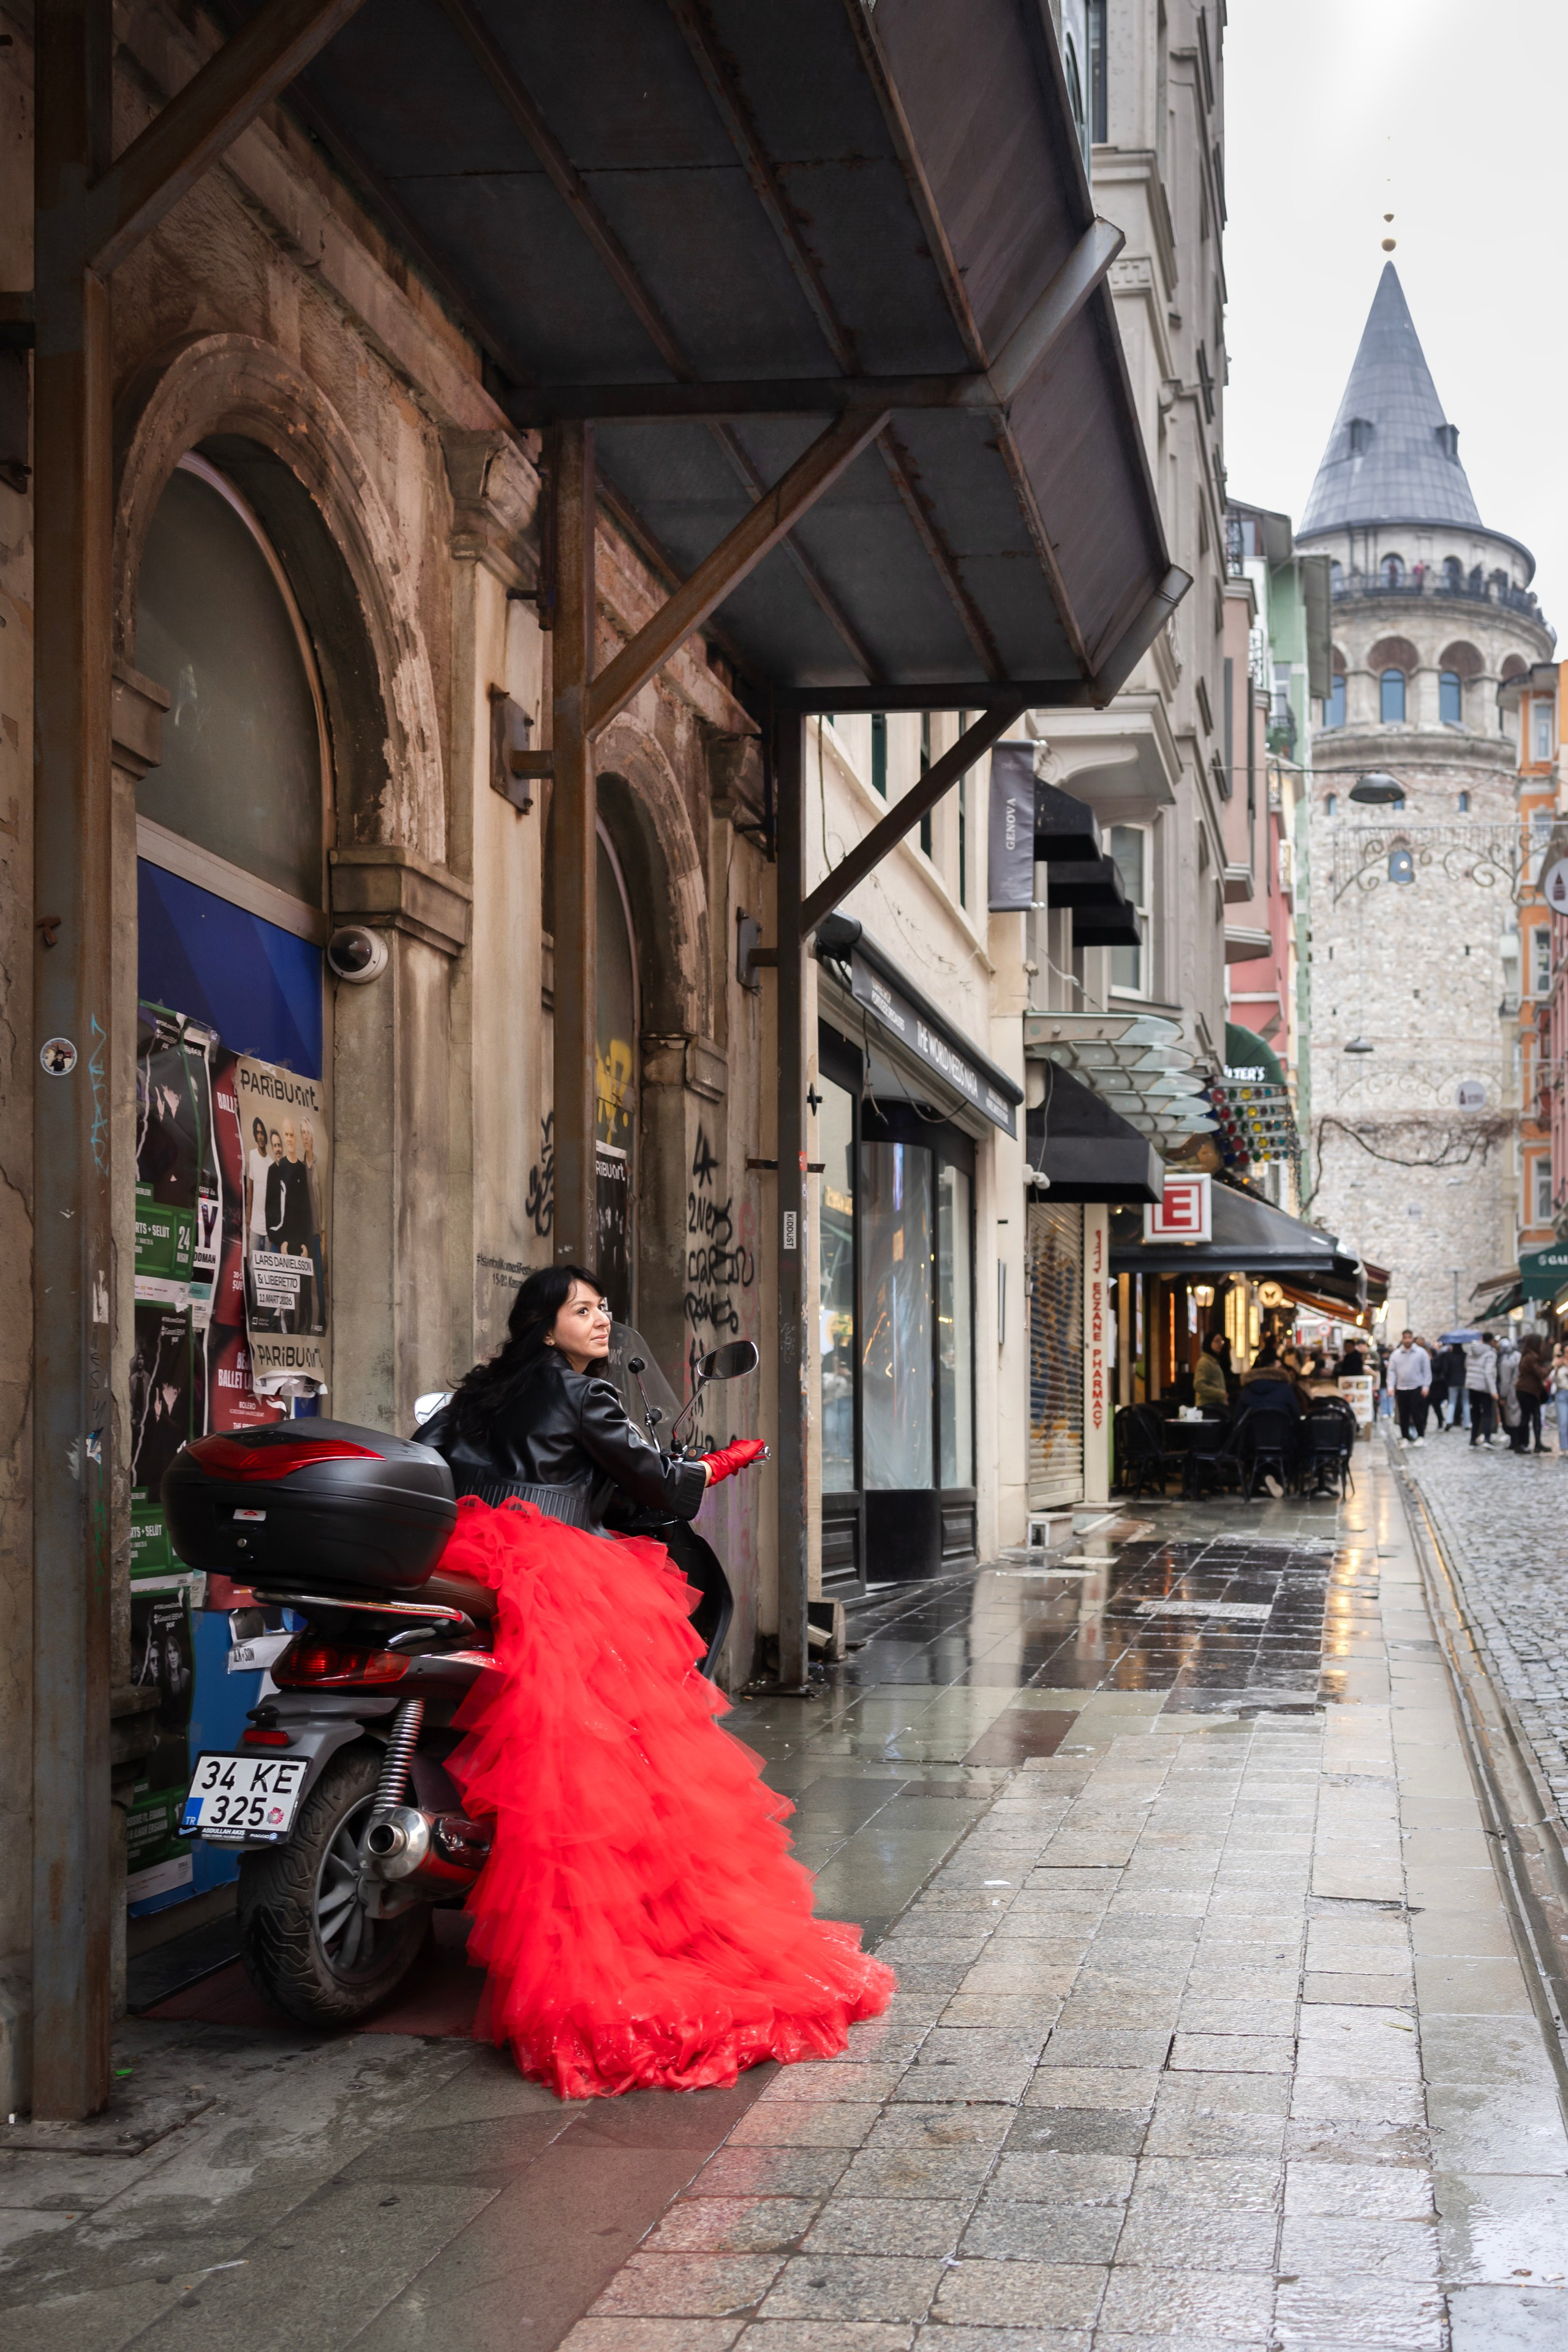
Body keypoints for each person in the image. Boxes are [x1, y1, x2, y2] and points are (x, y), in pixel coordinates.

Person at [419, 1264, 894, 2099]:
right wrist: (723, 1464)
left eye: (606, 1307)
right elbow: (661, 1484)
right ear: (544, 1323)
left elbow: (424, 1465)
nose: (601, 1321)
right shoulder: (583, 1397)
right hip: (555, 1566)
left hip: (458, 1561)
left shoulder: (474, 1399)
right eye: (583, 1310)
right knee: (611, 1748)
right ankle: (611, 1922)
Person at [1385, 1330, 1431, 1445]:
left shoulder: (1421, 1353)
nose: (1407, 1340)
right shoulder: (1396, 1354)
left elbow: (1426, 1370)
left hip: (1417, 1387)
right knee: (1403, 1414)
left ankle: (1421, 1435)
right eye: (1405, 1338)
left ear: (1412, 1338)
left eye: (1409, 1338)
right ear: (1402, 1339)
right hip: (1401, 1388)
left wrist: (1426, 1386)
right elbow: (1392, 1372)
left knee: (1417, 1413)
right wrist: (1391, 1386)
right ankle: (1405, 1436)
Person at [1512, 1333, 1548, 1455]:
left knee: (1532, 1416)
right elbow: (1540, 1373)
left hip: (1529, 1390)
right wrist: (1553, 1366)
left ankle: (1533, 1443)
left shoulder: (1529, 1356)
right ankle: (1523, 1444)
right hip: (1527, 1390)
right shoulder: (1531, 1357)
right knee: (1528, 1417)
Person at [1466, 1334, 1500, 1447]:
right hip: (1484, 1387)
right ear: (1491, 1341)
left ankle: (1473, 1439)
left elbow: (1466, 1365)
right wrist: (1493, 1391)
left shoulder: (1472, 1351)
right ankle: (1487, 1438)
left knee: (1475, 1413)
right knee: (1487, 1413)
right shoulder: (1491, 1353)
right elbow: (1488, 1372)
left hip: (1472, 1385)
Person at [1194, 1330, 1229, 1413]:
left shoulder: (1214, 1362)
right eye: (1217, 1341)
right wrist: (1221, 1394)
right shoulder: (1204, 1362)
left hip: (1216, 1405)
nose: (1220, 1344)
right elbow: (1199, 1385)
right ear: (1209, 1343)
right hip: (1208, 1407)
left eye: (1221, 1341)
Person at [1552, 1341, 1568, 1454]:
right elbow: (1551, 1379)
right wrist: (1555, 1366)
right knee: (1563, 1422)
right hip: (1561, 1393)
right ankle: (1564, 1447)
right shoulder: (1558, 1363)